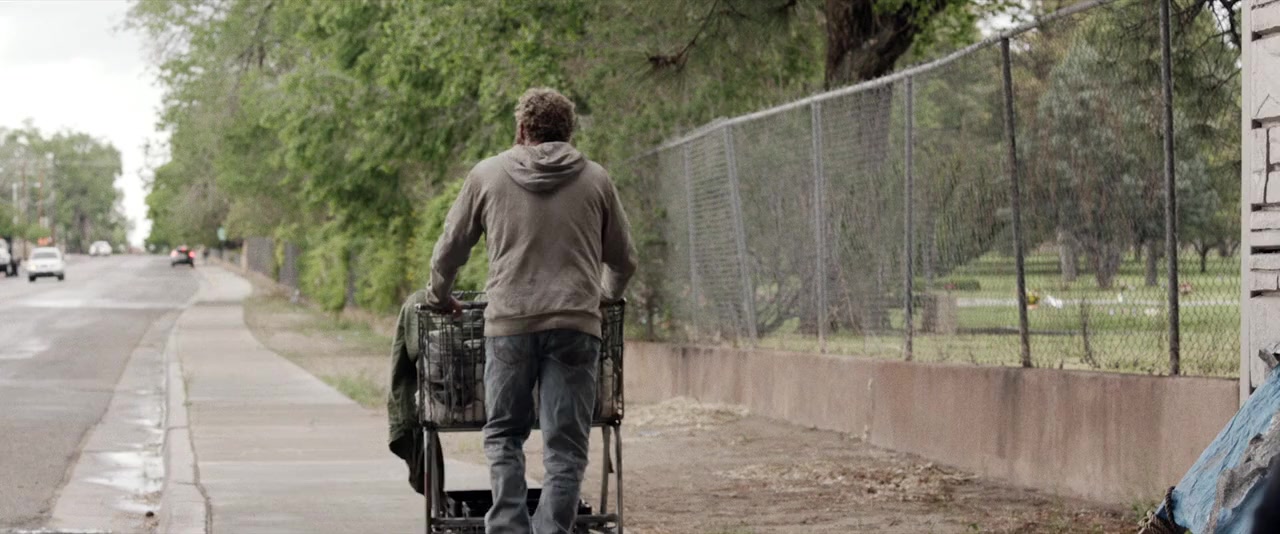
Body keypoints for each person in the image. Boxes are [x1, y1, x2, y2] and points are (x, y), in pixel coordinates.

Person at [427, 87, 637, 534]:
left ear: (522, 129)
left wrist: (439, 295)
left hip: (509, 324)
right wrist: (603, 296)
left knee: (505, 434)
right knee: (566, 446)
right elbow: (624, 260)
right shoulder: (596, 179)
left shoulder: (487, 175)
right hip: (576, 326)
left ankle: (507, 528)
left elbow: (450, 250)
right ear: (569, 131)